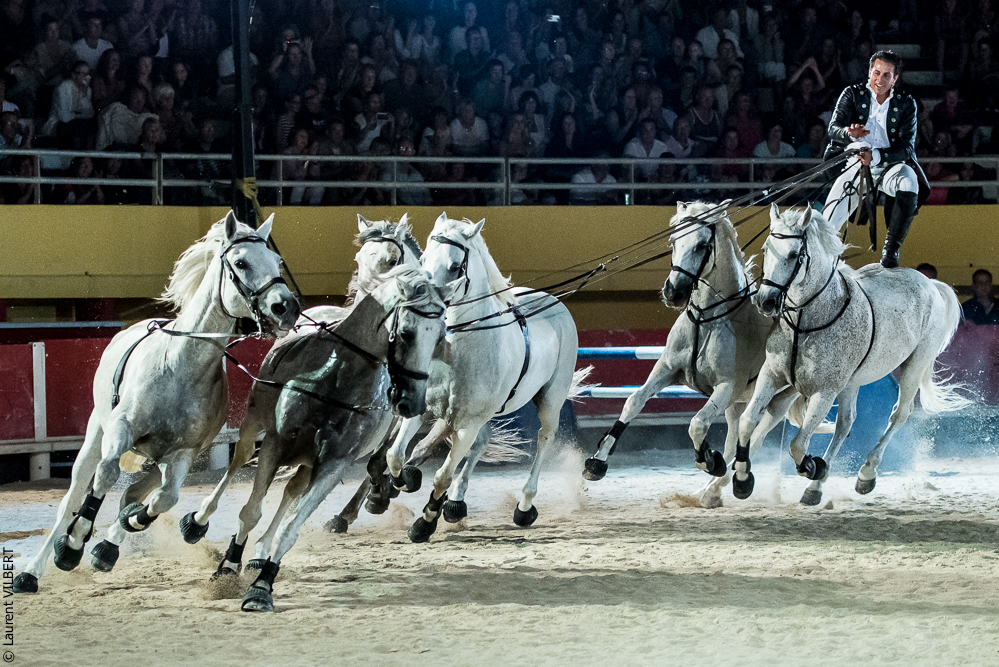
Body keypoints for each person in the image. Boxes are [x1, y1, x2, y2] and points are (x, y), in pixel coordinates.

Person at [821, 50, 929, 268]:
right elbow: (833, 129)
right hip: (855, 164)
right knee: (827, 223)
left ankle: (892, 248)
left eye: (886, 75)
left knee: (909, 180)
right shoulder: (852, 93)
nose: (880, 80)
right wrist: (849, 133)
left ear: (895, 79)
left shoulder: (906, 102)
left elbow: (907, 147)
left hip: (889, 165)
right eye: (877, 73)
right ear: (870, 71)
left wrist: (877, 156)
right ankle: (823, 263)